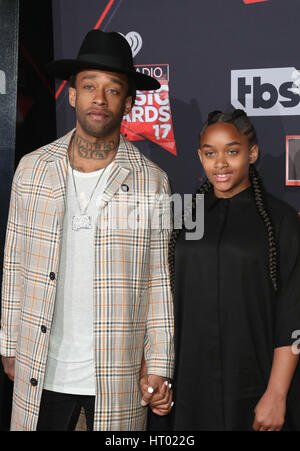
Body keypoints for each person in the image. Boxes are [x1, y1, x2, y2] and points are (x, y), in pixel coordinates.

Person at [0, 30, 174, 431]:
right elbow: (13, 262)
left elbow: (159, 281)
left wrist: (160, 363)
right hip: (39, 365)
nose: (100, 98)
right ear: (72, 95)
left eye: (113, 90)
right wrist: (9, 344)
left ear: (128, 103)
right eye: (89, 86)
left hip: (119, 373)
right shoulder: (32, 169)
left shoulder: (153, 182)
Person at [169, 109, 300, 431]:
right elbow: (159, 301)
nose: (221, 163)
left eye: (232, 151)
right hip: (187, 389)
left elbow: (293, 314)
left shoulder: (281, 221)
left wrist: (277, 393)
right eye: (210, 153)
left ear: (251, 153)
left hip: (255, 388)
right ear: (200, 156)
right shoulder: (183, 219)